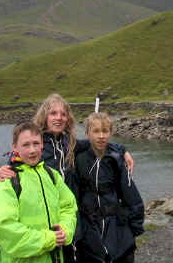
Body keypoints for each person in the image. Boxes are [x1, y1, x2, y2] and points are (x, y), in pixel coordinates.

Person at [0, 94, 135, 263]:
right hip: (43, 222)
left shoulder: (70, 144)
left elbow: (97, 141)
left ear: (68, 119)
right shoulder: (36, 144)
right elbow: (13, 168)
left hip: (69, 220)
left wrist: (122, 150)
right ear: (44, 116)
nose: (58, 117)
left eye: (63, 114)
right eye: (53, 113)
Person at [0, 121, 77, 263]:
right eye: (26, 145)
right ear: (15, 147)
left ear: (42, 144)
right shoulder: (7, 181)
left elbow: (69, 207)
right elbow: (3, 227)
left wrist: (65, 230)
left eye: (36, 143)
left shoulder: (52, 175)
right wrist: (50, 239)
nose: (32, 150)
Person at [74, 112, 144, 263]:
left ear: (111, 133)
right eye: (96, 131)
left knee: (121, 255)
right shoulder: (78, 159)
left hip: (115, 221)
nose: (101, 136)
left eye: (105, 131)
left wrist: (135, 226)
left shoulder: (117, 159)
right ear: (87, 133)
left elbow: (130, 193)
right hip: (89, 224)